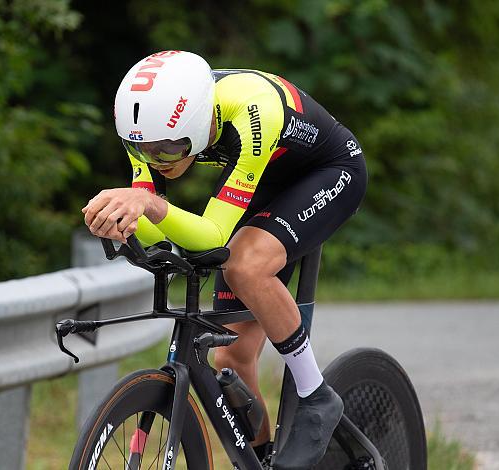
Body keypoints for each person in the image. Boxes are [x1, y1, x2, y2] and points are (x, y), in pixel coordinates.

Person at [82, 50, 367, 469]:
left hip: (327, 171)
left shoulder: (252, 109)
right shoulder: (146, 130)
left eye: (169, 149)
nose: (157, 160)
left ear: (197, 126)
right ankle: (264, 461)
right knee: (231, 357)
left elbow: (212, 238)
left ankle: (316, 395)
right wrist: (119, 216)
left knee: (244, 264)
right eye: (143, 151)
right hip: (260, 179)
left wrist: (146, 203)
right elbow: (158, 229)